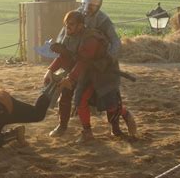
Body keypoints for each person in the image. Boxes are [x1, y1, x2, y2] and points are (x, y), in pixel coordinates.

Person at [48, 0, 125, 137]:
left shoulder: (103, 20)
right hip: (76, 62)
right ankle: (62, 126)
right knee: (66, 92)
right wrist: (62, 48)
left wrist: (108, 58)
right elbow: (64, 36)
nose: (91, 8)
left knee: (109, 96)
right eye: (89, 4)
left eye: (95, 5)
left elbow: (116, 41)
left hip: (98, 66)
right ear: (84, 2)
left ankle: (115, 128)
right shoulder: (74, 17)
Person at [56, 11, 137, 143]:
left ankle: (125, 115)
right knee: (81, 99)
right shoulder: (72, 36)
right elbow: (65, 56)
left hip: (104, 74)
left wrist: (70, 79)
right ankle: (87, 133)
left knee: (110, 104)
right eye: (66, 24)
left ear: (81, 25)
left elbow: (83, 60)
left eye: (71, 24)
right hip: (88, 73)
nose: (67, 27)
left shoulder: (91, 39)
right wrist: (50, 70)